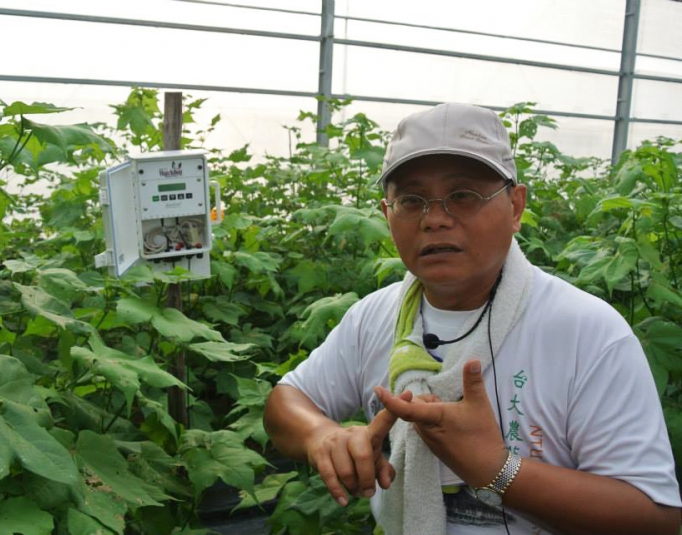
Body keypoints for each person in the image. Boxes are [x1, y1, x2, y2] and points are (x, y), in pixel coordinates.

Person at [263, 102, 682, 534]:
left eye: (463, 195)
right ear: (388, 215)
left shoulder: (586, 332)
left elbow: (656, 520)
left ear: (515, 207)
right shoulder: (374, 316)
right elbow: (286, 402)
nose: (434, 219)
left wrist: (495, 469)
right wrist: (321, 436)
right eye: (411, 200)